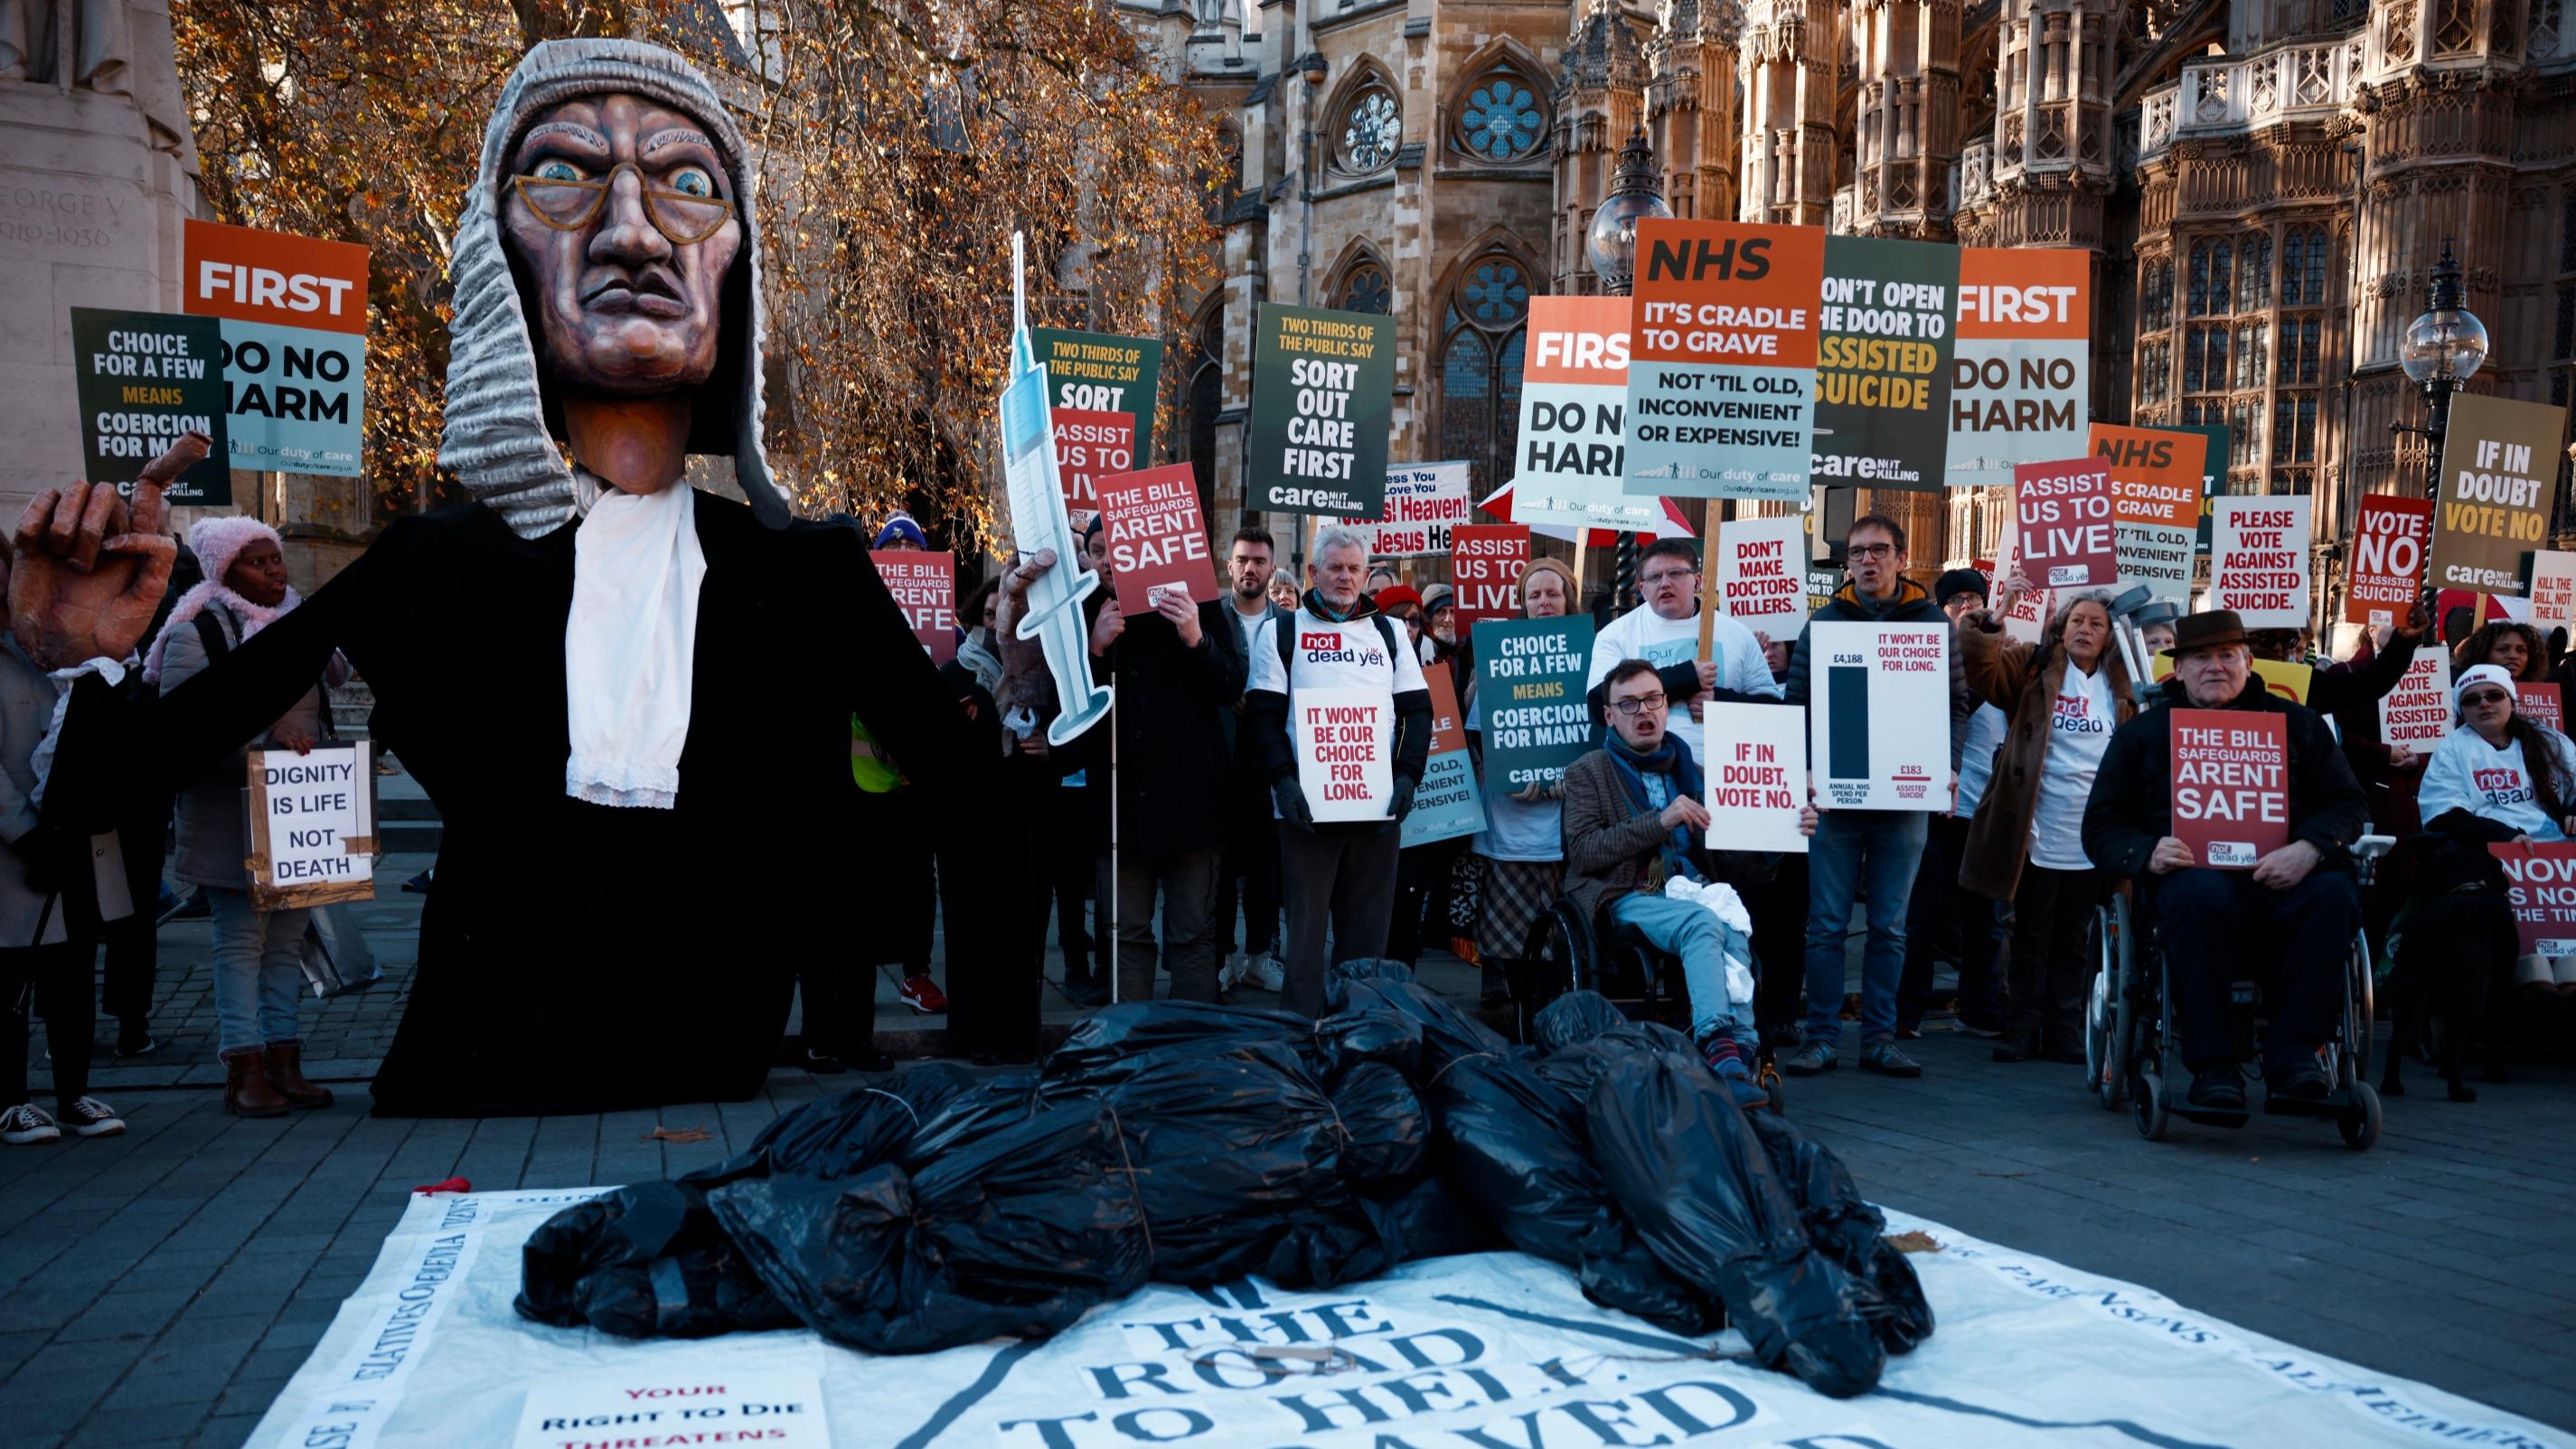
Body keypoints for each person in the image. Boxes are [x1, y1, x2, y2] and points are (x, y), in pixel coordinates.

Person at [26, 40, 1016, 1115]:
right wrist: (84, 659)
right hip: (475, 1075)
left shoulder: (804, 571)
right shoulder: (438, 563)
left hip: (721, 1084)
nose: (632, 232)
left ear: (741, 269)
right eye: (565, 176)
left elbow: (973, 800)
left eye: (688, 185)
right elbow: (131, 770)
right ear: (496, 256)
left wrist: (1071, 650)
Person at [2082, 610, 2369, 1109]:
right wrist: (2147, 851)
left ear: (2248, 661)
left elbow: (2348, 803)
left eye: (2225, 656)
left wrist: (2309, 847)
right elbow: (2101, 825)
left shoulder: (2296, 724)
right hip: (2195, 881)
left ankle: (2296, 1056)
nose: (2214, 667)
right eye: (2199, 658)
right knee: (2198, 898)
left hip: (2288, 877)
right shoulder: (2144, 734)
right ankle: (2214, 1065)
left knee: (2334, 895)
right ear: (2178, 671)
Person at [145, 516, 346, 1115]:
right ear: (223, 569)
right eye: (258, 562)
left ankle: (286, 1060)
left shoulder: (300, 625)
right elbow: (186, 728)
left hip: (293, 813)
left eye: (276, 559)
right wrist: (264, 736)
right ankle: (244, 1066)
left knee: (286, 942)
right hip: (228, 815)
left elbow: (337, 678)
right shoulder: (197, 634)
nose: (275, 570)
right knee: (239, 941)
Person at [1564, 659, 1815, 1106]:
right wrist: (1660, 821)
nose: (1645, 712)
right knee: (1703, 923)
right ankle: (1721, 1050)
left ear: (1666, 705)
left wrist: (1786, 827)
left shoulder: (1692, 768)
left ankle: (1742, 1051)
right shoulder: (1588, 771)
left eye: (1653, 700)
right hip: (1626, 891)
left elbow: (1731, 858)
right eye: (1629, 704)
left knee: (1733, 923)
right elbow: (1584, 852)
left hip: (1692, 887)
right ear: (1609, 716)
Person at [1779, 514, 1970, 1078]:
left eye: (1878, 550)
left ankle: (1879, 1039)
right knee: (1827, 924)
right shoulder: (1825, 622)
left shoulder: (1933, 623)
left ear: (1901, 558)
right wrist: (1807, 771)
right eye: (1857, 552)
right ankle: (1821, 1037)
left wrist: (1950, 766)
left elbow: (1954, 704)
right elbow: (1799, 704)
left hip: (1904, 801)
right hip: (1836, 801)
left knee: (1890, 925)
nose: (1867, 560)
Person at [1245, 525, 1433, 1015]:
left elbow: (1418, 712)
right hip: (1306, 812)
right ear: (1313, 573)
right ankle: (1300, 1042)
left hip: (1375, 812)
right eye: (1335, 568)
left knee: (1367, 941)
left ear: (1366, 575)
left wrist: (1409, 776)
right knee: (1304, 945)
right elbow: (1263, 720)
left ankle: (1360, 1037)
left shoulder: (1390, 633)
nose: (1345, 578)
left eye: (1354, 569)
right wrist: (1283, 782)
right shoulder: (1281, 630)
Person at [1063, 532, 1247, 1005]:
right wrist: (1094, 652)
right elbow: (1068, 720)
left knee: (1191, 935)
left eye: (1113, 548)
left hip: (1193, 807)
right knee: (1126, 937)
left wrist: (1197, 640)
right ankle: (1131, 1048)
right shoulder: (1082, 616)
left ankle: (1186, 1052)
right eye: (1096, 551)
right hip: (1121, 811)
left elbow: (1232, 685)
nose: (1106, 560)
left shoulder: (1195, 602)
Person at [1959, 587, 2138, 1062]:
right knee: (2030, 934)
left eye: (2096, 624)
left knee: (2075, 938)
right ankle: (2020, 1028)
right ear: (2062, 626)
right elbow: (1979, 670)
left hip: (2092, 832)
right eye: (2078, 620)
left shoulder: (2123, 684)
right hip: (2036, 827)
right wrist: (1994, 619)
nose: (2085, 630)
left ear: (2109, 637)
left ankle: (2063, 1029)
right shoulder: (2033, 665)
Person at [0, 543, 128, 1144]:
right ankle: (12, 1098)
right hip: (16, 844)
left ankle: (73, 1089)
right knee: (12, 972)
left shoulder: (56, 647)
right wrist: (25, 829)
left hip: (77, 831)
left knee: (74, 966)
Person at [2398, 663, 2576, 1095]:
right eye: (2472, 700)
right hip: (2488, 854)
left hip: (2555, 855)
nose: (2483, 705)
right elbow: (2444, 813)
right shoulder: (2454, 750)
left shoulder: (2551, 742)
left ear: (2511, 701)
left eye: (2493, 696)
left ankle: (2566, 978)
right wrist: (2503, 836)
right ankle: (2532, 977)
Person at [1896, 569, 2009, 1040]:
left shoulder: (2009, 663)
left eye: (1975, 597)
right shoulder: (1928, 660)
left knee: (1988, 920)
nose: (1967, 605)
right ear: (1942, 611)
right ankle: (1907, 1013)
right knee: (1919, 917)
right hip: (1935, 807)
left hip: (1988, 810)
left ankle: (1980, 1008)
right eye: (1957, 599)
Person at [1469, 558, 1578, 1005]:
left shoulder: (1591, 656)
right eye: (1534, 595)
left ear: (1568, 598)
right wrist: (1504, 776)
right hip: (1509, 828)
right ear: (1522, 603)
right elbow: (1478, 740)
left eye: (1553, 593)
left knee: (1560, 946)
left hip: (1564, 831)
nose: (1544, 602)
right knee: (1510, 946)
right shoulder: (1498, 656)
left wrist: (1577, 781)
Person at [1584, 538, 1782, 770]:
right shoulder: (1616, 634)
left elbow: (1775, 713)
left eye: (1676, 573)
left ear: (1698, 581)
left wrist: (1721, 702)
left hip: (1726, 772)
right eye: (1655, 577)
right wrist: (1686, 676)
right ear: (1642, 589)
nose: (1665, 583)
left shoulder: (1737, 634)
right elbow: (1600, 704)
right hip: (1640, 773)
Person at [1216, 527, 1290, 992]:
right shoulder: (1211, 620)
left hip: (1271, 761)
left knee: (1267, 865)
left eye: (1260, 561)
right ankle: (1222, 954)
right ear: (1230, 565)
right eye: (1243, 559)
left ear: (1272, 568)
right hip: (1220, 759)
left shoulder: (1290, 624)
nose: (1250, 569)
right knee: (1220, 864)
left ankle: (1261, 955)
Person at [2456, 620, 2549, 683]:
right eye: (2503, 649)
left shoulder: (2540, 697)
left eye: (2521, 650)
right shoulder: (2461, 689)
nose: (2513, 656)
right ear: (2483, 653)